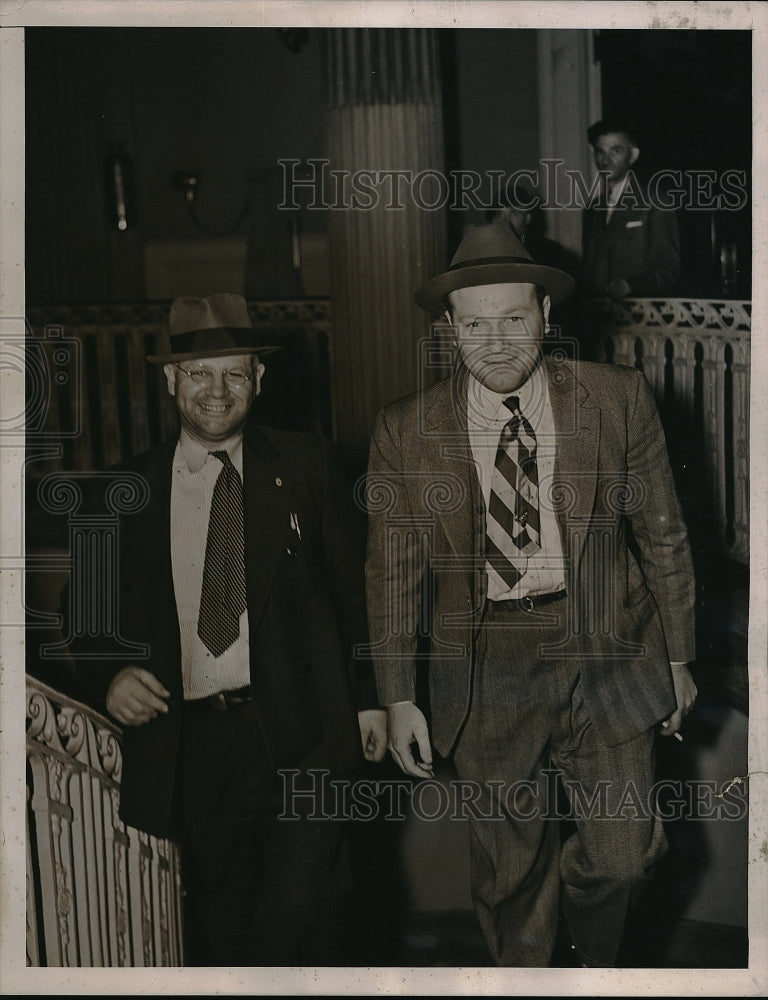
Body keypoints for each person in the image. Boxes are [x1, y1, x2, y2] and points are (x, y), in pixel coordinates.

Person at [365, 221, 697, 967]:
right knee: (510, 878)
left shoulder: (616, 400)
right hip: (487, 667)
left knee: (623, 858)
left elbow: (665, 536)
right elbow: (392, 577)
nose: (496, 340)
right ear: (450, 330)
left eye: (514, 318)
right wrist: (398, 694)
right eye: (474, 323)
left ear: (546, 316)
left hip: (607, 648)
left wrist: (679, 657)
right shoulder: (406, 431)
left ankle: (591, 968)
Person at [70, 292, 386, 965]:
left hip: (306, 736)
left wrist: (370, 698)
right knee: (219, 930)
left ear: (259, 379)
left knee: (306, 925)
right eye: (198, 373)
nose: (217, 391)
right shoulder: (120, 490)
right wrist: (109, 675)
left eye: (234, 373)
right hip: (194, 746)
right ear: (169, 379)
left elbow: (359, 596)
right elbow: (82, 618)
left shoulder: (308, 467)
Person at [581, 119, 680, 301]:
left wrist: (631, 286)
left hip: (639, 315)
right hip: (600, 319)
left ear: (633, 155)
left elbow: (669, 268)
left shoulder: (655, 201)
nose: (605, 159)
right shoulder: (592, 208)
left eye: (615, 150)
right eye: (599, 151)